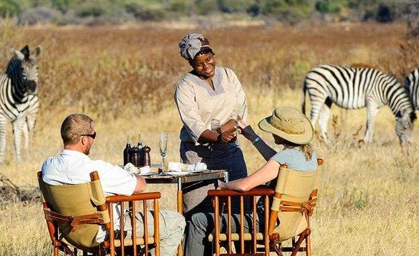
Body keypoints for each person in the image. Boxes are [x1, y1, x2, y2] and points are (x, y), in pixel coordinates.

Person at [41, 113, 185, 256]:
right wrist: (135, 173)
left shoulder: (48, 167)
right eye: (93, 135)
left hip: (70, 234)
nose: (93, 140)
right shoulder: (95, 169)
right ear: (84, 140)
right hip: (105, 232)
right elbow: (140, 186)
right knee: (176, 222)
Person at [184, 106, 318, 256]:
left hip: (266, 223)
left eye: (274, 130)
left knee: (199, 220)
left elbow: (244, 185)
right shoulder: (309, 156)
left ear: (283, 134)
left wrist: (223, 186)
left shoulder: (283, 159)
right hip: (296, 223)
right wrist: (253, 137)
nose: (271, 132)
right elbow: (275, 158)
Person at [174, 32, 249, 216]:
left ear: (213, 55)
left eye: (208, 59)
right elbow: (194, 125)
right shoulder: (185, 87)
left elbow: (240, 112)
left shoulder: (229, 75)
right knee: (198, 212)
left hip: (230, 150)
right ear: (191, 65)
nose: (206, 66)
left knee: (240, 208)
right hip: (198, 157)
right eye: (199, 64)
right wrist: (217, 137)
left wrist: (224, 136)